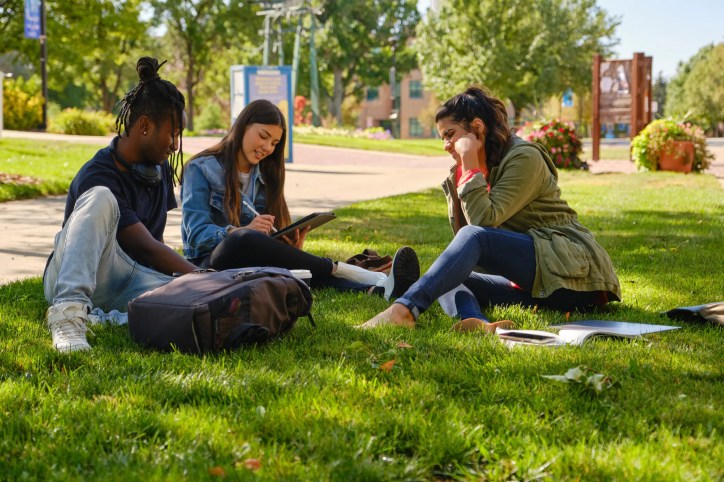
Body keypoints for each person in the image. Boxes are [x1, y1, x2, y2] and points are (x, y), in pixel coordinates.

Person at [359, 86, 621, 330]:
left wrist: (469, 161)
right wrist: (467, 167)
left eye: (450, 135)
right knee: (450, 275)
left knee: (474, 239)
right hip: (539, 283)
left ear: (477, 127)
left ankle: (403, 310)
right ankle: (479, 324)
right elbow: (467, 245)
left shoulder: (524, 157)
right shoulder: (473, 168)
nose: (446, 145)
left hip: (574, 275)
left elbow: (481, 226)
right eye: (442, 138)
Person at [180, 99, 419, 296]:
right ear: (242, 127)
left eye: (274, 143)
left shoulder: (264, 173)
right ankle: (339, 268)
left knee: (294, 273)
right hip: (210, 263)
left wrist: (283, 244)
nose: (267, 148)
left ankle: (378, 290)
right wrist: (237, 232)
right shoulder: (200, 168)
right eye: (263, 136)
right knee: (241, 239)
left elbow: (265, 234)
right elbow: (195, 235)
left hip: (250, 263)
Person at [43, 57, 195, 351]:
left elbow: (156, 244)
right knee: (102, 197)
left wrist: (190, 284)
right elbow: (144, 246)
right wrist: (199, 274)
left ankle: (106, 317)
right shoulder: (98, 173)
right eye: (173, 133)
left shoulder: (159, 167)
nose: (176, 145)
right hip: (82, 274)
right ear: (145, 125)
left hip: (130, 280)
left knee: (193, 296)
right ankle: (68, 315)